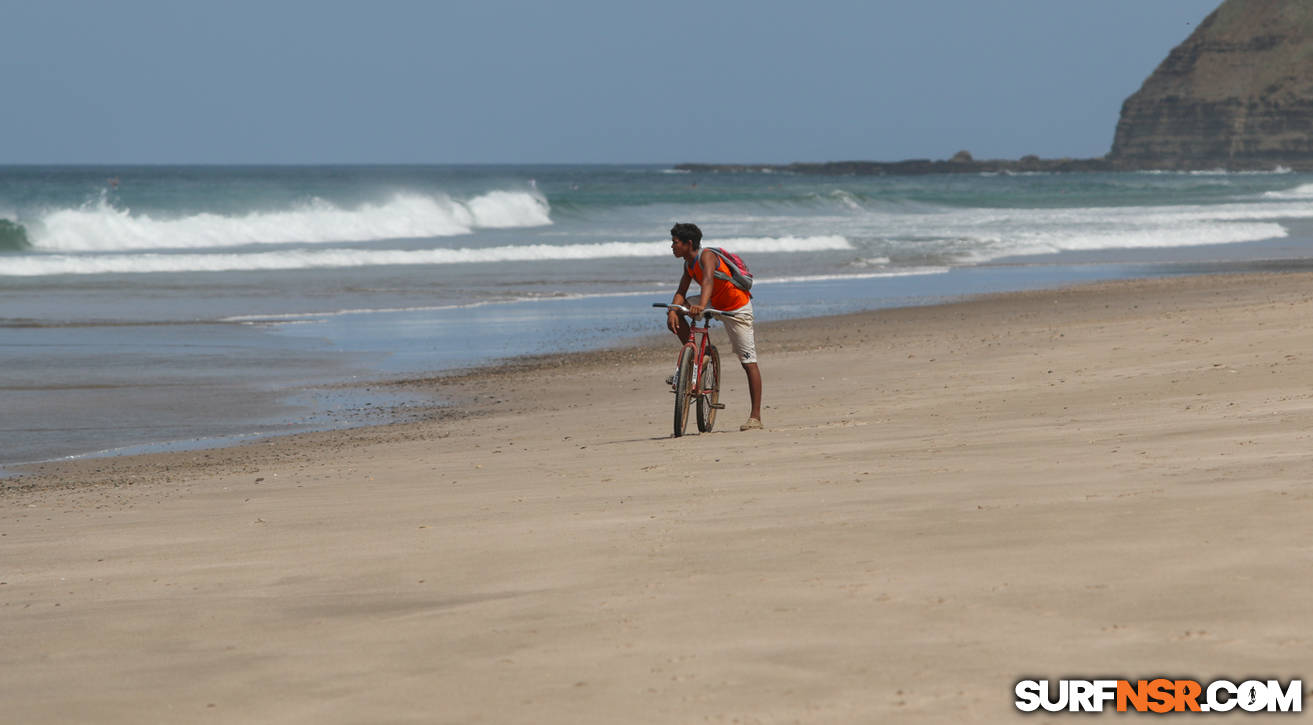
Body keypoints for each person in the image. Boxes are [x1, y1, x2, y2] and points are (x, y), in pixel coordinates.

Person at [665, 222, 764, 431]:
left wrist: (701, 305)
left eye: (675, 243)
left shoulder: (706, 256)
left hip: (737, 308)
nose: (671, 247)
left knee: (748, 362)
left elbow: (708, 279)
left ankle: (755, 417)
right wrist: (673, 310)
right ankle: (698, 358)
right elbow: (681, 291)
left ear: (688, 243)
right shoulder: (688, 264)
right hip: (713, 301)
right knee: (675, 308)